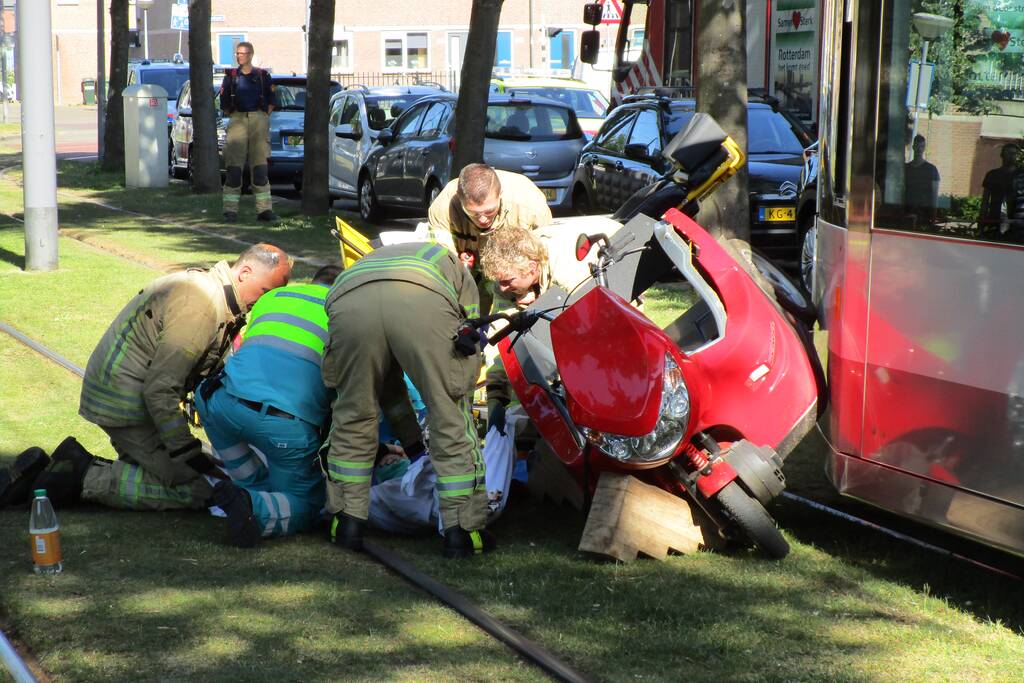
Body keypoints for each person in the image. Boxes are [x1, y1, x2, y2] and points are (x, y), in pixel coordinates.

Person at [0, 245, 292, 513]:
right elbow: (160, 390)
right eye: (266, 290)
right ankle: (79, 475)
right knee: (203, 487)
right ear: (245, 273)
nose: (264, 301)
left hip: (127, 396)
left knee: (207, 466)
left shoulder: (215, 296)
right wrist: (186, 452)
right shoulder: (202, 306)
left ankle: (66, 468)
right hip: (126, 404)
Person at [321, 242, 493, 558]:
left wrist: (415, 449)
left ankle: (346, 523)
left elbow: (391, 392)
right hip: (420, 302)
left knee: (354, 415)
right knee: (450, 413)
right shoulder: (454, 267)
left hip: (350, 305)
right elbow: (472, 330)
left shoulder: (368, 262)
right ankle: (463, 531)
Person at [193, 265, 341, 547]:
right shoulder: (344, 314)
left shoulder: (277, 297)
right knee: (306, 502)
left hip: (218, 404)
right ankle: (252, 506)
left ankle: (247, 496)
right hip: (282, 423)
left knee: (257, 483)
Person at [478, 223, 613, 434]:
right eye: (498, 282)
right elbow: (502, 343)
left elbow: (600, 321)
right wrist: (496, 400)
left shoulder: (569, 270)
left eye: (507, 282)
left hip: (607, 275)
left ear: (532, 269)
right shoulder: (505, 279)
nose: (502, 288)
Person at [427, 163, 552, 312]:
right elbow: (443, 263)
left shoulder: (530, 203)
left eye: (489, 211)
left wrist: (533, 290)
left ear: (500, 195)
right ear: (461, 203)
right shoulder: (443, 208)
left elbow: (543, 259)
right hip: (473, 272)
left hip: (516, 276)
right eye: (473, 213)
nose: (483, 220)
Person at [219, 41, 277, 224]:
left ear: (250, 54)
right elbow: (224, 103)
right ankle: (230, 211)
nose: (239, 56)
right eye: (237, 53)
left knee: (260, 168)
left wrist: (261, 116)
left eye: (242, 53)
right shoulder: (231, 77)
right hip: (237, 119)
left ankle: (264, 210)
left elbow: (271, 101)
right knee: (234, 168)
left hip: (258, 120)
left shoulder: (262, 76)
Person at [980, 143, 1020, 229]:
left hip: (1016, 221)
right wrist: (982, 219)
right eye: (1008, 153)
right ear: (1002, 155)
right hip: (994, 219)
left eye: (1014, 153)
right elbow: (985, 200)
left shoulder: (1021, 176)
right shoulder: (992, 175)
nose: (1011, 156)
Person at [903, 134, 940, 227]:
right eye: (917, 146)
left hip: (924, 216)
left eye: (922, 146)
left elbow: (934, 196)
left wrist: (933, 216)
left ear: (924, 148)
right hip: (905, 214)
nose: (919, 149)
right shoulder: (905, 169)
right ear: (913, 147)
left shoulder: (932, 170)